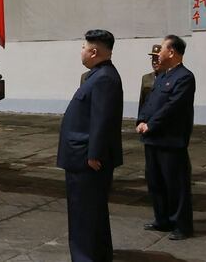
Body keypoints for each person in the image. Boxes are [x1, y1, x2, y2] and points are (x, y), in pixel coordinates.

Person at [57, 29, 123, 262]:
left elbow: (102, 119)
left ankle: (86, 257)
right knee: (92, 213)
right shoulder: (99, 75)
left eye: (84, 47)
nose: (81, 51)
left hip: (87, 159)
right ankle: (99, 255)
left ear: (94, 51)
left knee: (83, 214)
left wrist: (95, 154)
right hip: (84, 156)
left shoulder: (104, 78)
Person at [136, 35, 195, 241]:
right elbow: (150, 102)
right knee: (156, 182)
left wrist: (150, 124)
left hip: (170, 140)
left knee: (175, 185)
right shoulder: (161, 76)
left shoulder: (184, 77)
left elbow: (173, 108)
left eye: (161, 49)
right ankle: (162, 219)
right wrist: (141, 120)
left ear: (171, 52)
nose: (158, 53)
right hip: (152, 139)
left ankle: (182, 225)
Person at [139, 44, 163, 112]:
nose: (154, 62)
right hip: (147, 118)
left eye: (157, 59)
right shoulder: (146, 78)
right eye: (153, 59)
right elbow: (142, 101)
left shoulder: (169, 78)